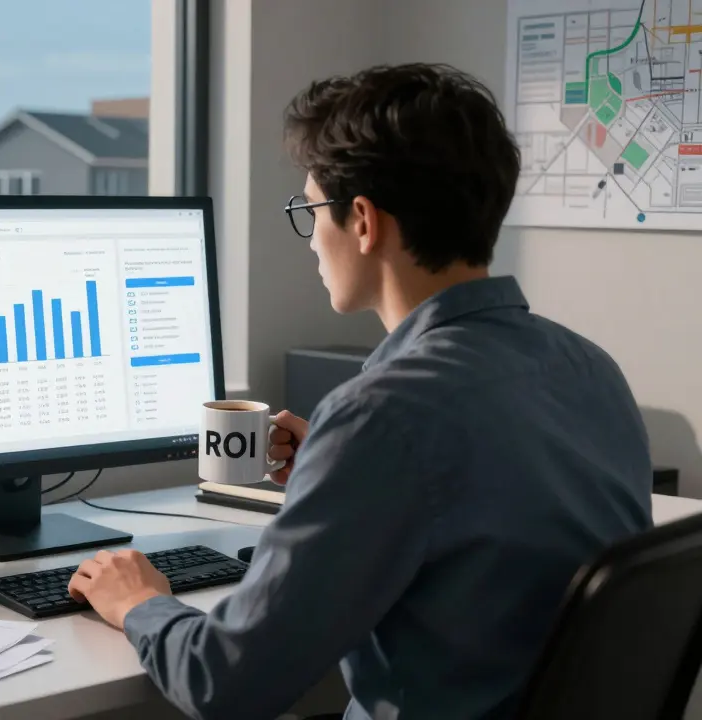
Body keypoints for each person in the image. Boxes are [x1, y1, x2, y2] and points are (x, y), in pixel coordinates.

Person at [66, 63, 653, 720]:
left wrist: (138, 602)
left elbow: (224, 685)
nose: (313, 237)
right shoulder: (588, 367)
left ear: (365, 222)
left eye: (312, 210)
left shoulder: (381, 415)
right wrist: (339, 473)